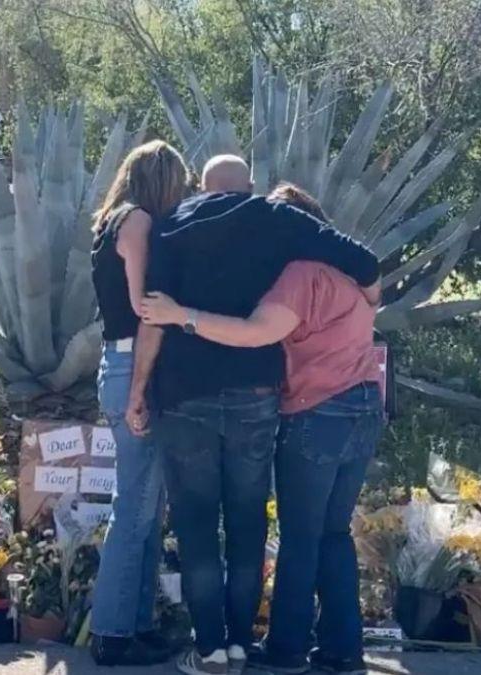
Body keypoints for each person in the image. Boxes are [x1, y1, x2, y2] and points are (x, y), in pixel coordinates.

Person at [126, 158, 380, 675]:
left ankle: (223, 649)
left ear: (201, 187)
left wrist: (140, 384)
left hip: (195, 394)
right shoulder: (285, 229)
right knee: (260, 525)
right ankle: (264, 645)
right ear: (249, 187)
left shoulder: (175, 226)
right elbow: (367, 264)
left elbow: (158, 317)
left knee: (202, 526)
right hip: (281, 399)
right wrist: (373, 294)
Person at [88, 139, 191, 666]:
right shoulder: (139, 222)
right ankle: (111, 632)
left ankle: (137, 623)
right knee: (133, 507)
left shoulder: (111, 221)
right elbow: (143, 304)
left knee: (146, 505)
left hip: (118, 361)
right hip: (134, 366)